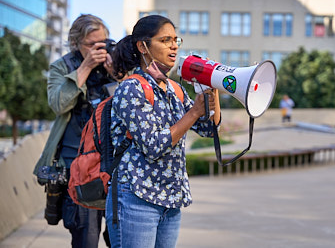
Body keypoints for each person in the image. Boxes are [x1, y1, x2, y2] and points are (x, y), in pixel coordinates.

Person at [105, 14, 221, 248]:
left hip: (170, 200)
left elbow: (209, 128)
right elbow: (153, 145)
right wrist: (194, 112)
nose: (174, 45)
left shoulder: (175, 89)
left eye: (175, 39)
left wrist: (213, 85)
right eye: (165, 40)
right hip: (137, 198)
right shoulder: (131, 88)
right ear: (143, 46)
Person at [34, 14, 116, 247]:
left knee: (120, 239)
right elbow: (58, 104)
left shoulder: (115, 65)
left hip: (113, 166)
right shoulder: (63, 66)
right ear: (75, 43)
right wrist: (86, 66)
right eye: (92, 45)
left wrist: (118, 73)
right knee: (85, 238)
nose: (98, 49)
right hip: (77, 168)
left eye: (104, 43)